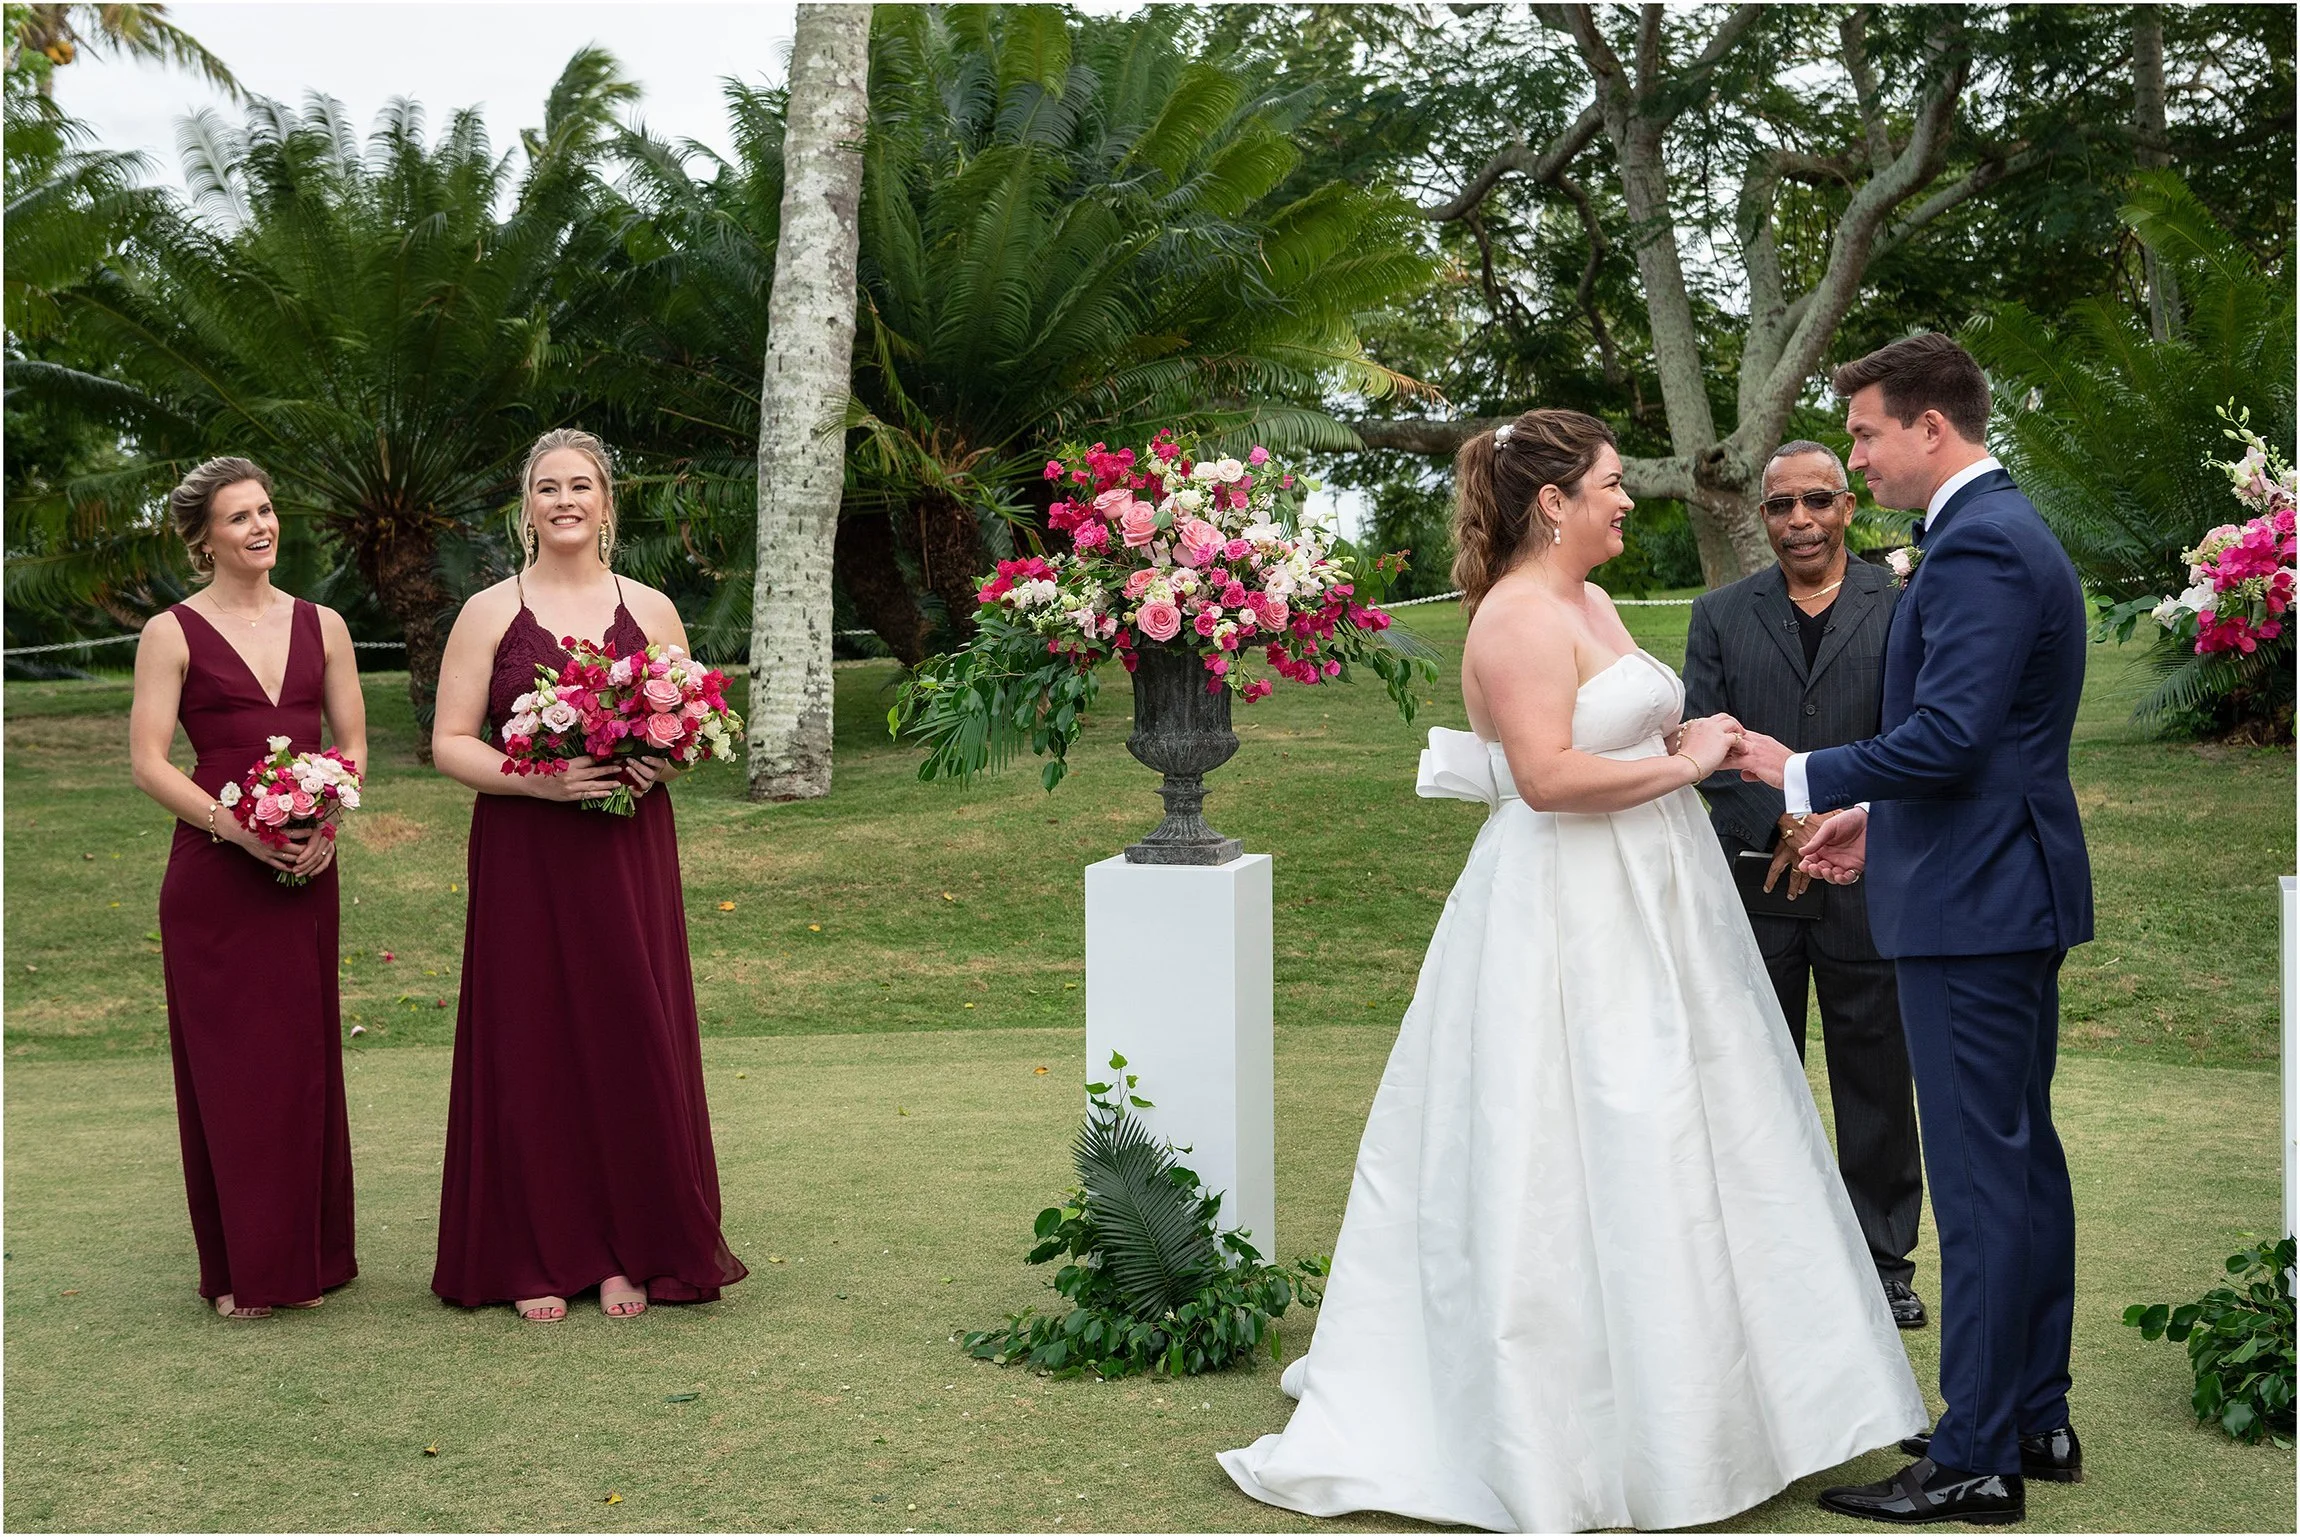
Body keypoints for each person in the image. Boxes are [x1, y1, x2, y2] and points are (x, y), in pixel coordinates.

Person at [1218, 409, 1924, 1533]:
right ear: (1551, 502)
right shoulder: (1509, 618)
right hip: (1565, 906)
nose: (1620, 500)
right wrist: (1687, 760)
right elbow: (1544, 778)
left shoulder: (1588, 602)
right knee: (1577, 1133)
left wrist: (1724, 741)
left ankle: (1733, 1408)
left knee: (1700, 1132)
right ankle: (1578, 1427)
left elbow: (1646, 722)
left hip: (1657, 892)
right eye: (1604, 483)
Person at [1732, 333, 2093, 1525]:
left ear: (1928, 428)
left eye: (1865, 434)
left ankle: (1975, 1451)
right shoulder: (1993, 530)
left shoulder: (1981, 540)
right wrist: (1875, 823)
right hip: (1984, 876)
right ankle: (2032, 1412)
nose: (1855, 455)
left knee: (1985, 1179)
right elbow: (1977, 749)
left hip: (1975, 902)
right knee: (2018, 1159)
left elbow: (1948, 736)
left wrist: (1804, 774)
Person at [429, 427, 746, 1323]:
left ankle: (626, 1248)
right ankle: (535, 1250)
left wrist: (662, 762)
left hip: (624, 851)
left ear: (608, 503)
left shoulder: (651, 608)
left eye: (581, 485)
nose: (564, 500)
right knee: (530, 1037)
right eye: (546, 487)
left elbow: (689, 730)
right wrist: (545, 778)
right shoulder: (489, 611)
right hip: (527, 852)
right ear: (525, 507)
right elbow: (450, 743)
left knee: (627, 1033)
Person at [1682, 440, 1927, 1331]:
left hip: (1870, 881)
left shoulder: (1901, 607)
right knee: (1755, 1079)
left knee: (1877, 1081)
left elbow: (1915, 739)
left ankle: (1883, 1263)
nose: (1799, 522)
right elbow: (1697, 745)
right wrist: (1777, 823)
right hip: (1752, 887)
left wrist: (1842, 817)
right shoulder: (1719, 614)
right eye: (1781, 506)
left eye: (1817, 501)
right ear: (1763, 516)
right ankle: (1763, 1259)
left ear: (1847, 510)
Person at [129, 456, 365, 1320]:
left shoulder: (326, 624)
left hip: (306, 870)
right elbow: (148, 762)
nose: (260, 527)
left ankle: (315, 1257)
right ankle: (244, 1269)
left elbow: (352, 745)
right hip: (214, 879)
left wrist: (323, 829)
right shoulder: (172, 633)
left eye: (266, 510)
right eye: (238, 518)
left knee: (303, 1062)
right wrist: (236, 829)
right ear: (202, 539)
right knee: (234, 1071)